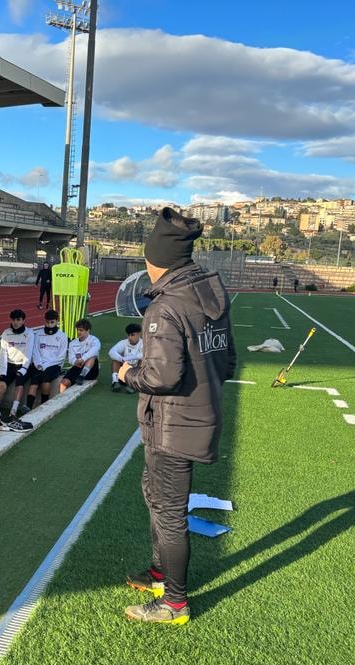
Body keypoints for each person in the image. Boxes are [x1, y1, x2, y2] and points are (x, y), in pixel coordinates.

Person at [119, 207, 236, 625]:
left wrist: (126, 372)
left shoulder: (165, 307)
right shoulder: (210, 293)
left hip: (172, 424)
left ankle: (174, 602)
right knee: (157, 497)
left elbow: (162, 375)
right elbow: (227, 362)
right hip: (196, 415)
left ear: (157, 259)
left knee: (168, 511)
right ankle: (159, 573)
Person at [0, 309, 35, 428]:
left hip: (23, 364)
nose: (15, 322)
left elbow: (28, 353)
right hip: (9, 364)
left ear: (23, 320)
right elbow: (3, 354)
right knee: (2, 384)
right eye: (13, 320)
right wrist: (3, 371)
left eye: (18, 320)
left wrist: (24, 368)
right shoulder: (6, 333)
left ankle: (13, 410)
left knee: (20, 384)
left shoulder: (29, 333)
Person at [26, 309, 67, 410]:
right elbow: (35, 351)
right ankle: (28, 406)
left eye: (52, 322)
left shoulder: (62, 336)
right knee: (34, 380)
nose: (49, 325)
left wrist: (46, 365)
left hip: (54, 365)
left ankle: (44, 405)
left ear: (57, 321)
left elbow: (61, 357)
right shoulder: (38, 334)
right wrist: (38, 363)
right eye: (47, 322)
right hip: (38, 363)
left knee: (45, 378)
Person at [59, 318, 102, 392]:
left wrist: (83, 359)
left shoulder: (94, 340)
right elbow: (71, 358)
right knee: (64, 382)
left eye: (81, 330)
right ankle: (59, 399)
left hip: (91, 370)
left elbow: (95, 349)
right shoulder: (73, 343)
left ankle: (82, 376)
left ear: (88, 331)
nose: (78, 332)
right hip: (78, 366)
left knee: (93, 356)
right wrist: (75, 362)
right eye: (78, 330)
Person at [109, 323, 143, 392]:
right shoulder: (124, 342)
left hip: (135, 372)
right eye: (128, 335)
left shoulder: (144, 344)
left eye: (132, 335)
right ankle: (115, 382)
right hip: (125, 371)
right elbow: (111, 352)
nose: (130, 337)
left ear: (139, 334)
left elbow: (143, 355)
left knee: (143, 361)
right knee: (115, 360)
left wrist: (126, 358)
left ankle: (134, 384)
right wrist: (120, 358)